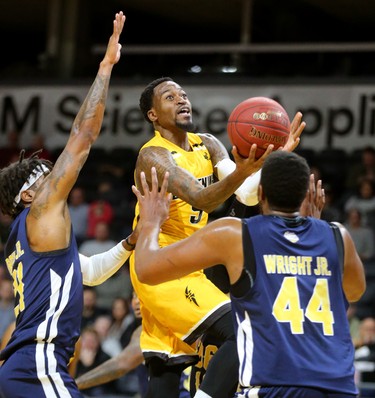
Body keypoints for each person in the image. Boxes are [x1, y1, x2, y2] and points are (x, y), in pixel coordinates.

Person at [133, 150, 366, 398]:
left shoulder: (235, 234)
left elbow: (146, 269)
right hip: (337, 387)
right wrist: (315, 228)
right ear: (306, 195)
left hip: (273, 385)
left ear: (261, 194)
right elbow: (354, 291)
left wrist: (150, 221)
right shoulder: (338, 236)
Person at [129, 76, 305, 398]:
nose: (182, 100)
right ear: (152, 114)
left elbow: (247, 195)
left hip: (190, 262)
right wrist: (244, 170)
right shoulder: (153, 155)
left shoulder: (207, 143)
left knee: (166, 368)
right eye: (170, 97)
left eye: (183, 94)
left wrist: (273, 160)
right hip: (160, 265)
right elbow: (203, 199)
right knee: (242, 331)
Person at [0, 12, 128, 398]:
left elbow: (83, 272)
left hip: (24, 367)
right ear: (26, 195)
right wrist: (105, 67)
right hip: (38, 366)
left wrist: (131, 242)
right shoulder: (40, 212)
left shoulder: (19, 244)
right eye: (44, 174)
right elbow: (83, 136)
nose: (54, 176)